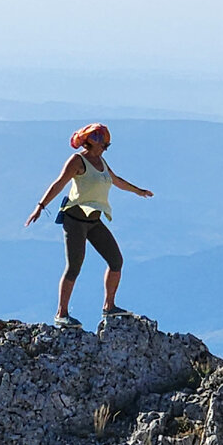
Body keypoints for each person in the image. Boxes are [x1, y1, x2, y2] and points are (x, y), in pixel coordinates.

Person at [24, 123, 153, 328]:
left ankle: (109, 307)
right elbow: (59, 183)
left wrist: (138, 191)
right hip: (74, 220)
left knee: (116, 261)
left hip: (94, 221)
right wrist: (40, 207)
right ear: (91, 141)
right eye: (102, 143)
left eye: (106, 145)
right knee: (74, 266)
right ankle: (61, 313)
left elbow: (115, 180)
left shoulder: (101, 161)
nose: (104, 148)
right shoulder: (78, 161)